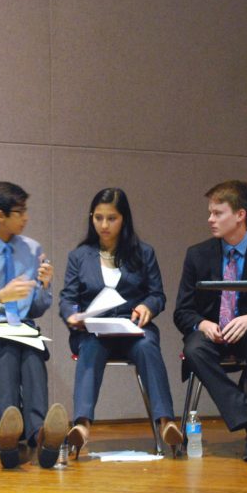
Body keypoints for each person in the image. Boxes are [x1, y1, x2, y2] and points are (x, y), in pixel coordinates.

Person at [173, 180, 247, 463]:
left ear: (240, 215)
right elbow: (183, 312)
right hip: (212, 335)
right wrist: (202, 324)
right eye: (210, 212)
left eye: (218, 213)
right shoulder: (197, 254)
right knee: (194, 349)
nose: (210, 219)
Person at [59, 188, 182, 457]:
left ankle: (166, 423)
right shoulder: (79, 256)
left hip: (133, 329)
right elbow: (67, 298)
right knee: (89, 349)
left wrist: (147, 306)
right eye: (98, 218)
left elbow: (157, 295)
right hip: (95, 331)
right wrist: (72, 316)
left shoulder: (143, 253)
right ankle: (82, 426)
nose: (104, 225)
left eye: (111, 218)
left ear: (124, 219)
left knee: (148, 347)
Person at [0, 181, 68, 469]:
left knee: (32, 351)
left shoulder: (32, 249)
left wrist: (44, 286)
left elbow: (38, 309)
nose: (26, 217)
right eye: (19, 212)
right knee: (8, 349)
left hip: (22, 329)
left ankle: (39, 435)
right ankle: (9, 433)